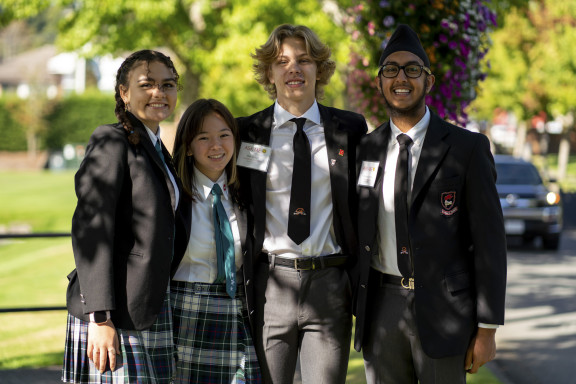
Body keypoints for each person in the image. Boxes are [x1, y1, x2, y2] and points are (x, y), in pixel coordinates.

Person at [353, 24, 507, 383]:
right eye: (390, 69)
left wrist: (487, 329)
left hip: (446, 311)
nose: (400, 78)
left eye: (412, 69)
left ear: (429, 81)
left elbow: (489, 243)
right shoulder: (366, 150)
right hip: (381, 308)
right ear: (380, 82)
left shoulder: (467, 149)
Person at [236, 24, 368, 384]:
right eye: (282, 61)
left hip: (329, 285)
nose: (293, 69)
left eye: (304, 60)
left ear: (319, 70)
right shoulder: (246, 132)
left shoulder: (350, 130)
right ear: (269, 73)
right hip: (269, 285)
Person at [62, 50, 190, 383]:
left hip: (146, 306)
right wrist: (101, 318)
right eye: (147, 84)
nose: (159, 93)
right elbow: (92, 228)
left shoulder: (158, 148)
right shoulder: (111, 140)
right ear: (123, 92)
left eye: (168, 84)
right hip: (112, 313)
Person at [170, 99, 262, 383]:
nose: (216, 146)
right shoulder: (171, 195)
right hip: (185, 314)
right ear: (187, 146)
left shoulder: (247, 194)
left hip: (238, 311)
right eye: (203, 138)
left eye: (224, 135)